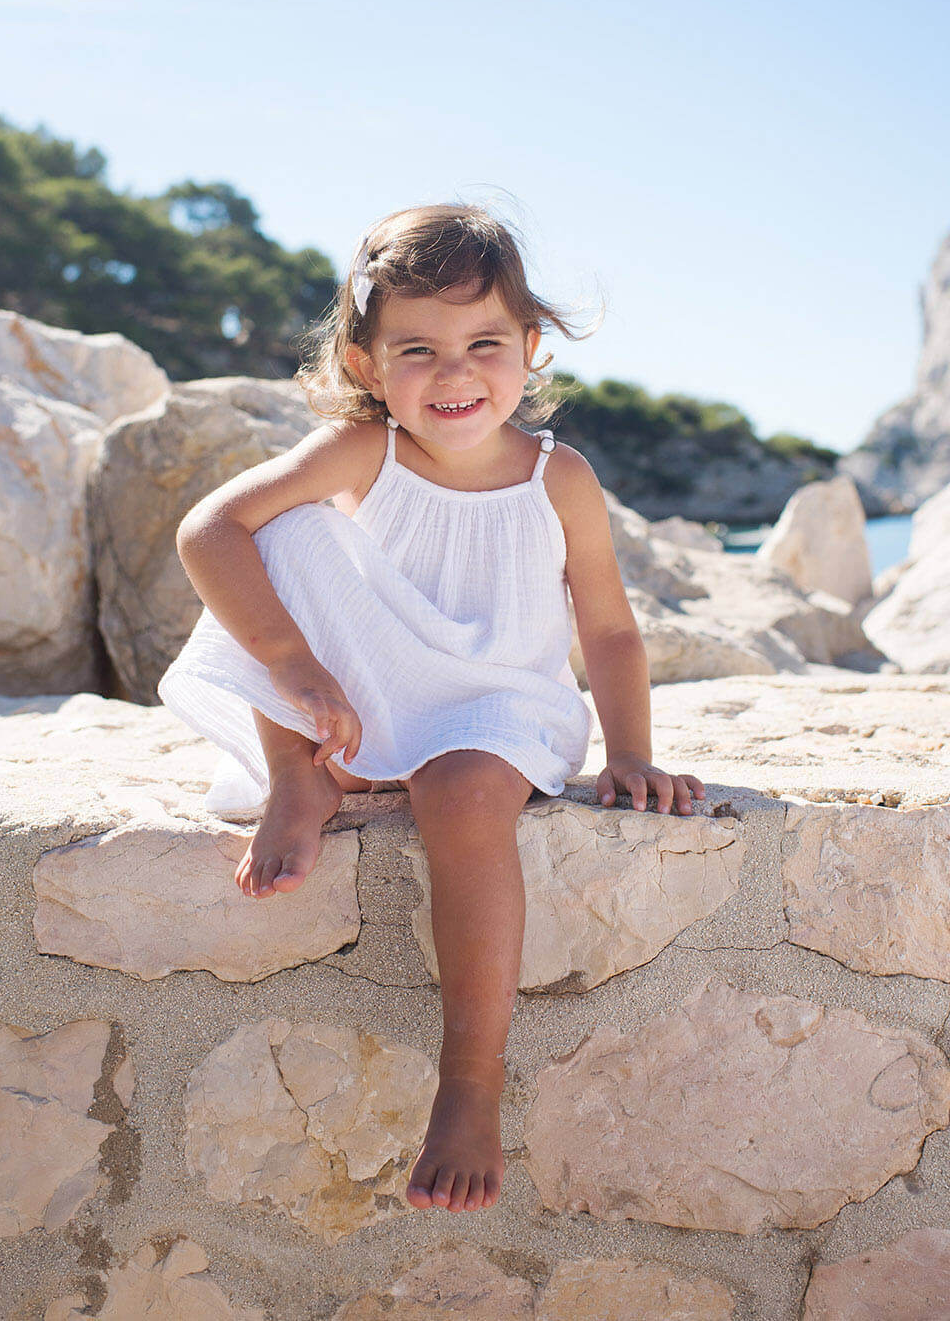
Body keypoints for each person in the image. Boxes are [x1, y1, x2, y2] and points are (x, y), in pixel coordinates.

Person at [158, 202, 704, 1217]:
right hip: (374, 688)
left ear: (528, 348)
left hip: (501, 702)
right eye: (418, 350)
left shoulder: (557, 476)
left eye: (483, 344)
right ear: (367, 366)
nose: (455, 376)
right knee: (285, 535)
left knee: (458, 794)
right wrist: (295, 666)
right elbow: (210, 529)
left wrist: (628, 750)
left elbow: (612, 632)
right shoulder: (362, 452)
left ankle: (469, 1085)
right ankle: (297, 776)